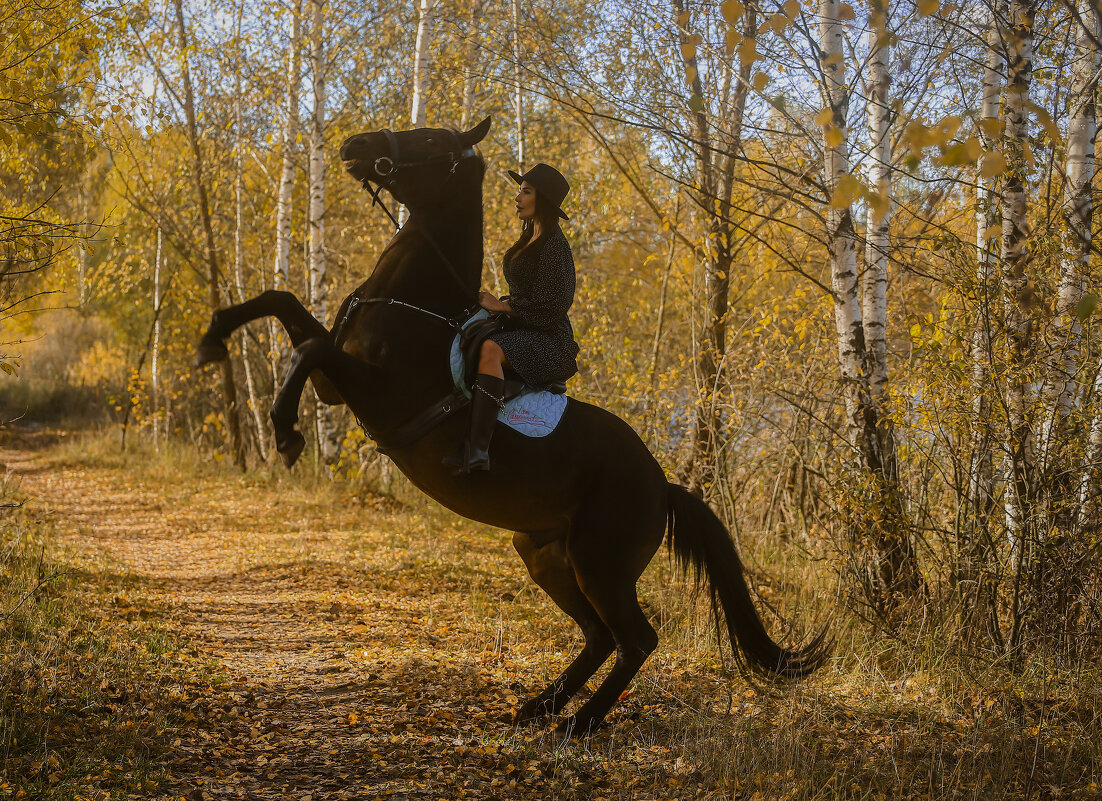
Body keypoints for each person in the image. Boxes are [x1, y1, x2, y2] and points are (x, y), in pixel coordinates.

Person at [445, 163, 581, 474]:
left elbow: (554, 305)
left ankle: (476, 450)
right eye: (519, 190)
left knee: (491, 349)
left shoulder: (554, 246)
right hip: (525, 326)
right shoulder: (529, 234)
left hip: (549, 338)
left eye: (526, 191)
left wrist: (504, 306)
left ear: (542, 200)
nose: (517, 197)